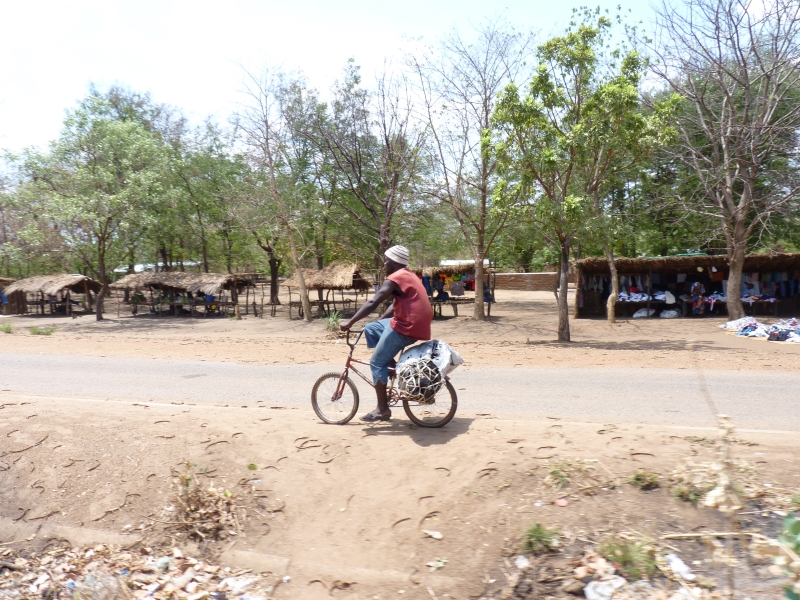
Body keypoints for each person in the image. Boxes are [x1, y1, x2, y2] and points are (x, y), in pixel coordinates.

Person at [340, 245, 433, 422]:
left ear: (394, 262)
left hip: (407, 327)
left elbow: (373, 302)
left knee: (376, 362)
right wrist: (380, 322)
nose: (384, 264)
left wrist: (350, 322)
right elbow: (395, 304)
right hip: (416, 324)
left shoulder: (395, 278)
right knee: (371, 328)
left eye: (386, 260)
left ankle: (382, 409)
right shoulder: (409, 275)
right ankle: (390, 366)